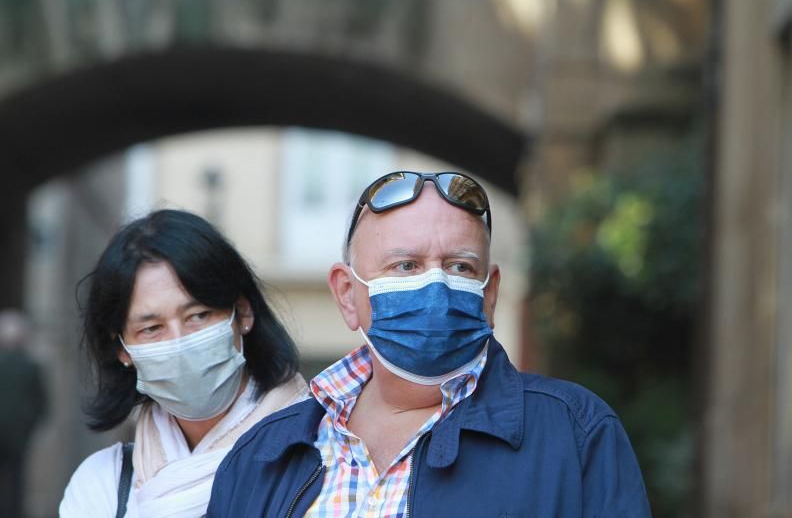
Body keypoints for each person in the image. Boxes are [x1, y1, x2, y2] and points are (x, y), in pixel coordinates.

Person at [207, 171, 652, 517]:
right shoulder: (262, 456)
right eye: (405, 265)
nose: (434, 284)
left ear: (489, 293)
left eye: (459, 266)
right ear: (347, 294)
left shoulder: (575, 434)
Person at [60, 209, 308, 517]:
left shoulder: (323, 455)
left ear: (242, 313)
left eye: (198, 316)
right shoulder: (103, 484)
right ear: (122, 350)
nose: (177, 341)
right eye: (151, 328)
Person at [0, 309, 48, 518]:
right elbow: (42, 403)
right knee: (17, 477)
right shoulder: (31, 366)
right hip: (20, 433)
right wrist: (30, 424)